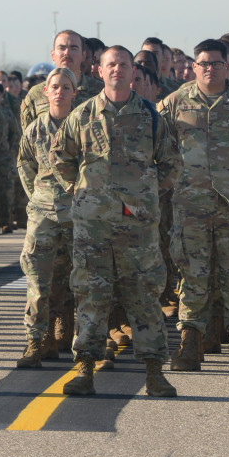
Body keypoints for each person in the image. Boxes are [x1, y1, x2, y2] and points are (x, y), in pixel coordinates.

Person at [50, 45, 179, 397]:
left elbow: (171, 163)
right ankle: (85, 369)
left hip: (137, 227)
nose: (118, 70)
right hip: (93, 227)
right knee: (91, 295)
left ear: (133, 72)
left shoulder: (151, 116)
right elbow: (60, 156)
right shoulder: (83, 115)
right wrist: (80, 189)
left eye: (124, 65)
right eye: (111, 65)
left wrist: (148, 194)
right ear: (100, 70)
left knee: (144, 297)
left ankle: (154, 372)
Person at [159, 40, 229, 373]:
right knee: (192, 275)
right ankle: (190, 344)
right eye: (203, 63)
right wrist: (174, 180)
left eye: (216, 64)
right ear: (194, 66)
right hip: (190, 205)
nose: (210, 69)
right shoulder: (175, 102)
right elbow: (156, 142)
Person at [15, 68, 76, 367]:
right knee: (37, 279)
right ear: (46, 92)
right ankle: (36, 342)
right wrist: (37, 195)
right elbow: (25, 164)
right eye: (55, 87)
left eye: (66, 87)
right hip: (42, 211)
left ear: (74, 93)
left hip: (78, 212)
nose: (60, 92)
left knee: (79, 278)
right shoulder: (35, 129)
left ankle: (79, 338)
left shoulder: (84, 127)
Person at [21, 30, 102, 127]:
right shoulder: (36, 93)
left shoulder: (100, 91)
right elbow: (28, 135)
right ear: (53, 54)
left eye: (74, 48)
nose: (67, 53)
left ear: (83, 55)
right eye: (62, 48)